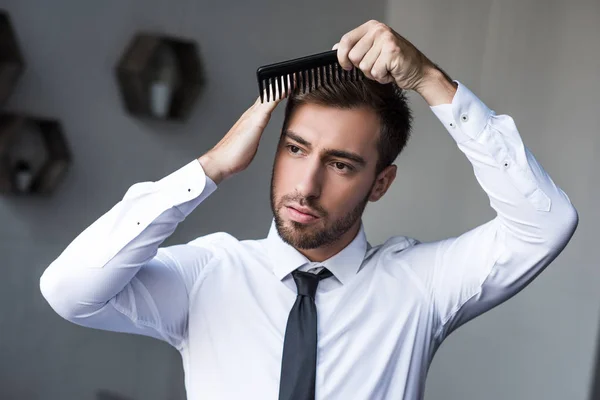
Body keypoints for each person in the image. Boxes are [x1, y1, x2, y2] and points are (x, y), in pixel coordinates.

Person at [39, 20, 578, 400]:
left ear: (381, 183)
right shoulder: (210, 273)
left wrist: (431, 82)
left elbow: (545, 223)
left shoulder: (421, 286)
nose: (307, 184)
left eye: (341, 164)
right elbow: (68, 290)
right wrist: (209, 168)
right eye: (296, 149)